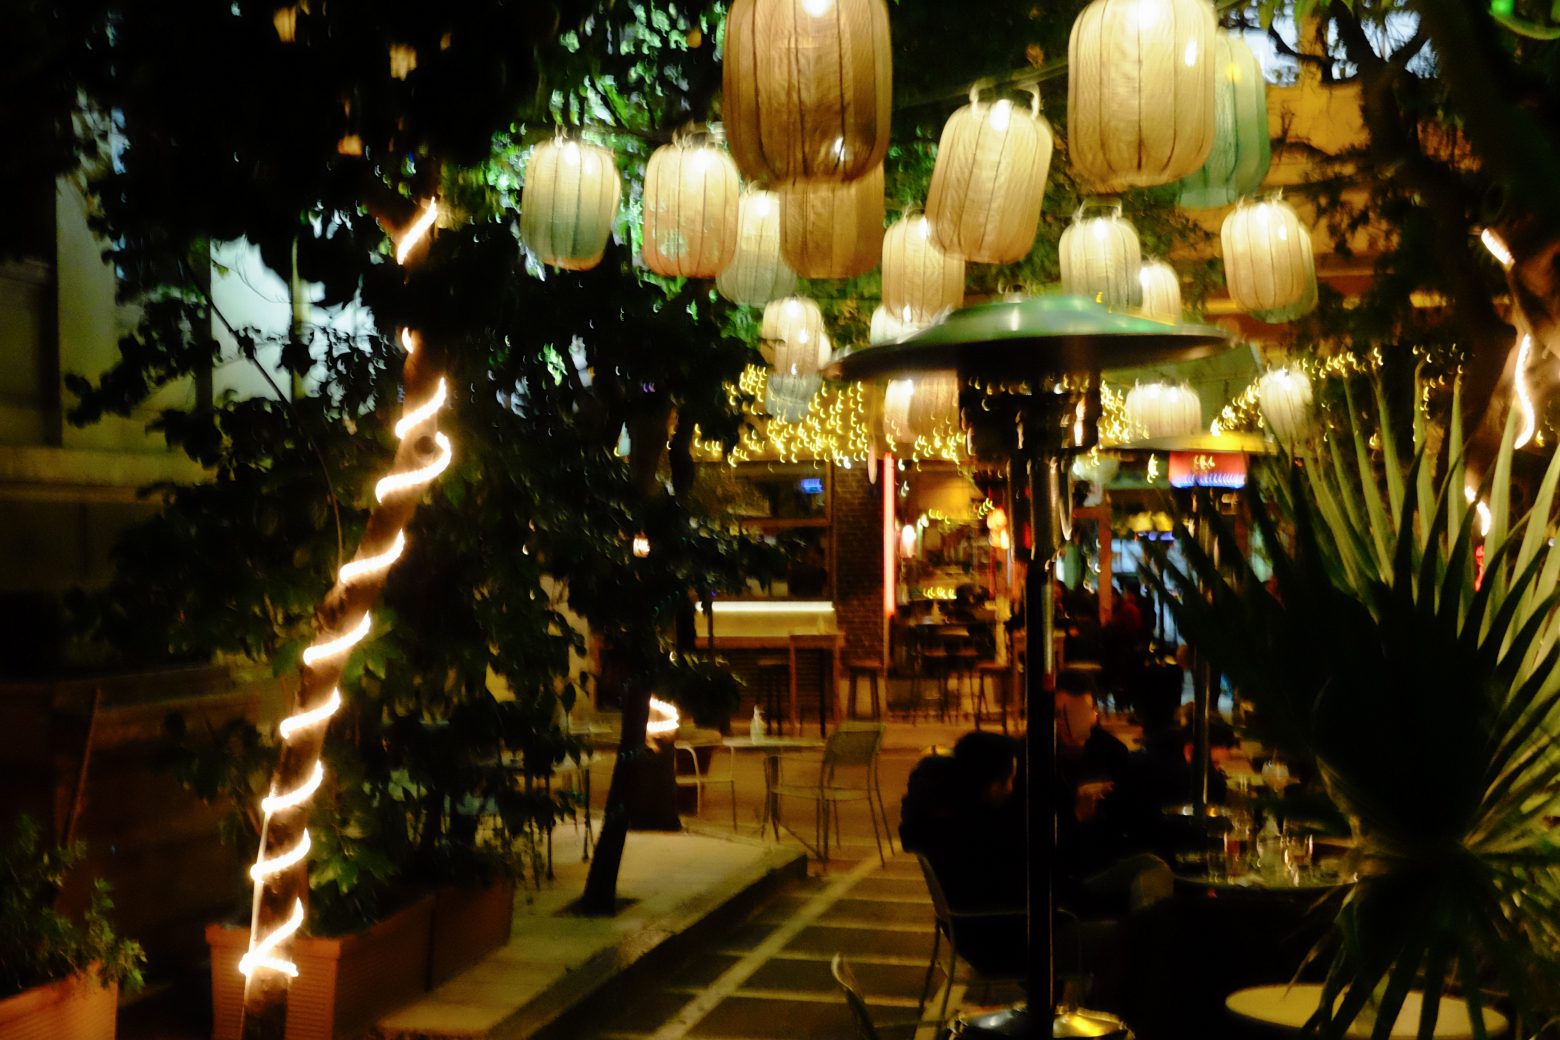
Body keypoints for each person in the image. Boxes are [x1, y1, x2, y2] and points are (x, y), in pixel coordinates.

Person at [899, 731, 1026, 977]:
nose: (1012, 789)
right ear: (992, 784)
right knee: (1103, 938)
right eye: (1010, 780)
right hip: (1000, 940)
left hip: (972, 932)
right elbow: (1014, 887)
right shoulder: (977, 832)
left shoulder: (948, 816)